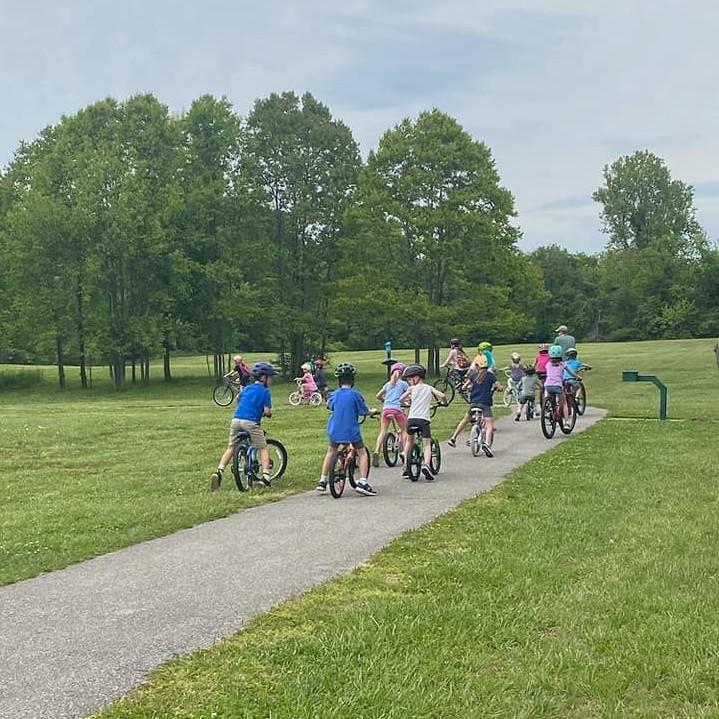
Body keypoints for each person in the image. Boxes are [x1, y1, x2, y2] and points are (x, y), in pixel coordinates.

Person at [211, 361, 276, 491]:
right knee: (262, 447)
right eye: (270, 377)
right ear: (264, 378)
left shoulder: (247, 388)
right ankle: (266, 476)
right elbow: (267, 411)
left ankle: (219, 471)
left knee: (231, 447)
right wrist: (265, 413)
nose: (271, 380)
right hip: (251, 422)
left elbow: (238, 400)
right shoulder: (265, 392)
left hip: (236, 420)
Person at [316, 362, 377, 496]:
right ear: (352, 380)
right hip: (351, 430)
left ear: (339, 380)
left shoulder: (335, 394)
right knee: (362, 452)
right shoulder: (355, 395)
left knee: (331, 451)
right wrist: (371, 412)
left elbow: (330, 406)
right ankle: (363, 482)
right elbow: (364, 411)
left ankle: (322, 480)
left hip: (334, 430)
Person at [400, 365, 447, 481]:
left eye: (411, 378)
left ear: (417, 377)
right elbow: (442, 395)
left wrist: (408, 402)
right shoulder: (429, 388)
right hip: (423, 420)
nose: (410, 381)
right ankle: (426, 465)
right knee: (427, 444)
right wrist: (444, 402)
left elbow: (401, 399)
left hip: (411, 419)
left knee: (409, 441)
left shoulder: (411, 389)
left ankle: (406, 464)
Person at [447, 364, 500, 456]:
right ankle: (487, 444)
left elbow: (464, 387)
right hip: (485, 403)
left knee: (465, 420)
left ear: (477, 367)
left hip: (473, 403)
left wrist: (468, 388)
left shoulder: (473, 375)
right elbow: (499, 386)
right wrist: (498, 388)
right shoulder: (491, 376)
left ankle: (453, 438)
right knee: (489, 425)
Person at [372, 362, 409, 467]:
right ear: (403, 374)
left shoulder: (388, 384)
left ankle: (376, 451)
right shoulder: (403, 384)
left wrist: (385, 400)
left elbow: (378, 395)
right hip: (397, 410)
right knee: (405, 430)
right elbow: (409, 395)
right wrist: (407, 402)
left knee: (383, 431)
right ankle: (405, 452)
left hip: (386, 410)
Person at [544, 345, 580, 419]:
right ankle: (567, 422)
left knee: (551, 398)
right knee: (564, 403)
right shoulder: (563, 364)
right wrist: (578, 377)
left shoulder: (548, 364)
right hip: (558, 386)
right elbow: (571, 373)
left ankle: (549, 411)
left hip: (547, 386)